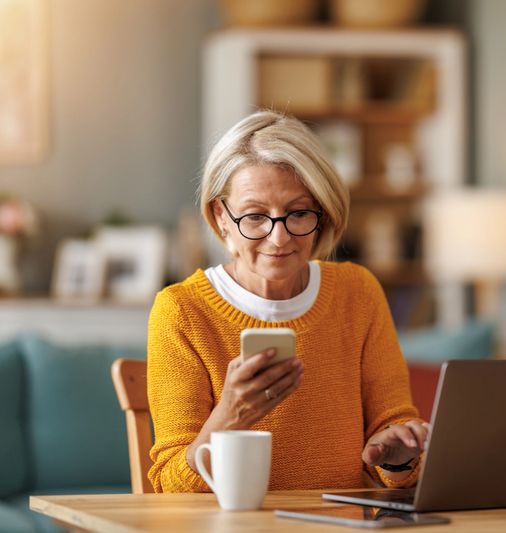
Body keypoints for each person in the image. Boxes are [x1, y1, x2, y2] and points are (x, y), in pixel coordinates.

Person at [147, 110, 427, 493]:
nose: (279, 239)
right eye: (255, 216)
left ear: (322, 210)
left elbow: (396, 449)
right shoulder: (182, 311)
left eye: (297, 213)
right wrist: (230, 415)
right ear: (221, 216)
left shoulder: (357, 292)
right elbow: (170, 489)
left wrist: (398, 454)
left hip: (342, 525)